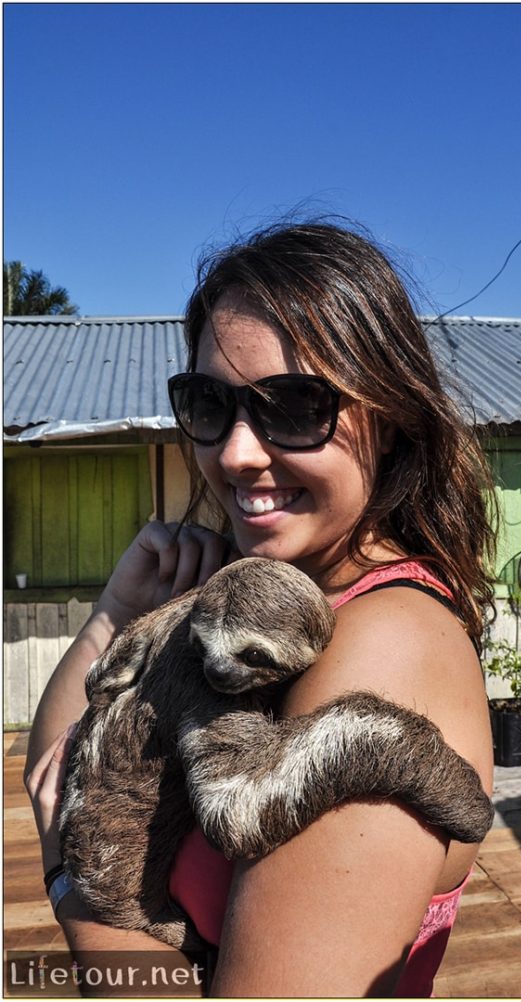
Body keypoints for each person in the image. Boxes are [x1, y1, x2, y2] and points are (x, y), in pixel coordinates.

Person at [25, 220, 496, 998]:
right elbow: (63, 758)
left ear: (391, 414)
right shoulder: (252, 591)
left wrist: (79, 888)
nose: (236, 453)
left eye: (294, 404)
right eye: (209, 403)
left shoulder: (385, 644)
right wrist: (119, 612)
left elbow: (63, 793)